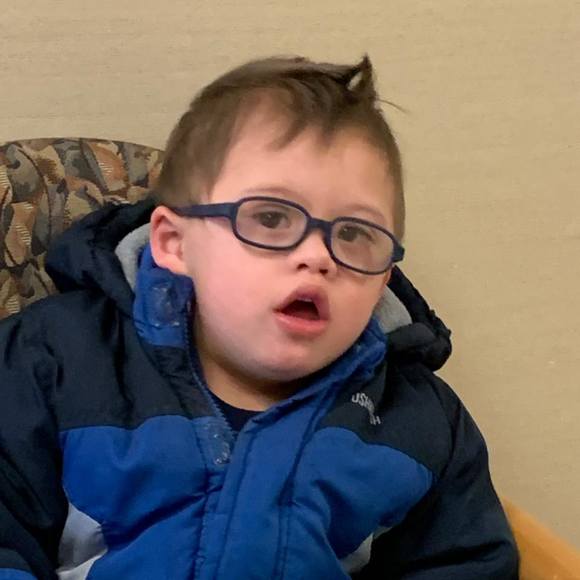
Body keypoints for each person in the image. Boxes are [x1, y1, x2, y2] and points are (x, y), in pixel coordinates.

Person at [0, 55, 518, 579]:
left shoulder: (422, 423)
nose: (318, 256)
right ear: (174, 243)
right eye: (271, 218)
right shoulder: (52, 363)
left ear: (383, 277)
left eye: (355, 234)